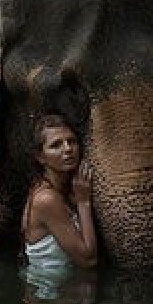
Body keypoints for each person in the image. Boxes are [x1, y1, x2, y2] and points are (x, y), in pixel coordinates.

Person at [21, 114, 98, 278]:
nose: (68, 149)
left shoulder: (62, 189)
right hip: (51, 295)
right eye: (56, 145)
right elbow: (88, 260)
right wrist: (83, 202)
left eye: (72, 141)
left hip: (66, 287)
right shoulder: (46, 199)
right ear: (40, 157)